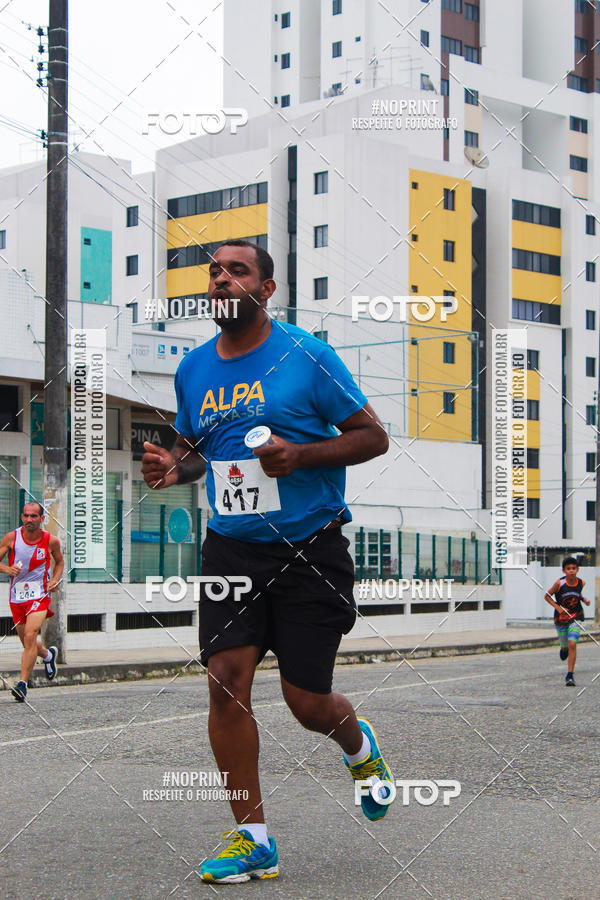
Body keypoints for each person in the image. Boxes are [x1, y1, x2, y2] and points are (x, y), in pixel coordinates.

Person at [142, 240, 393, 885]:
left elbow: (372, 437)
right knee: (225, 679)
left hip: (310, 544)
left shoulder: (307, 355)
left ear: (267, 288)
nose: (222, 281)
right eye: (215, 274)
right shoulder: (193, 369)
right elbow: (198, 450)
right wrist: (174, 467)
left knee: (305, 700)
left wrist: (299, 457)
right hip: (231, 546)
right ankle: (252, 837)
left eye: (237, 272)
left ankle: (359, 746)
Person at [0, 501, 63, 701]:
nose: (29, 519)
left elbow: (59, 561)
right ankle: (47, 655)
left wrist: (55, 579)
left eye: (33, 516)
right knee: (27, 641)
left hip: (40, 594)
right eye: (26, 516)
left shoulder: (50, 540)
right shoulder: (11, 538)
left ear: (41, 519)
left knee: (30, 634)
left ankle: (22, 684)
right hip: (17, 596)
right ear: (22, 517)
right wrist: (7, 569)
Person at [544, 556, 590, 686]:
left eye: (574, 568)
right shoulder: (559, 583)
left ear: (577, 569)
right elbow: (547, 596)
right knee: (565, 646)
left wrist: (584, 600)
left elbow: (577, 594)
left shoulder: (581, 583)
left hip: (576, 617)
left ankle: (570, 675)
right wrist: (557, 608)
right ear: (564, 571)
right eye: (568, 569)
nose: (571, 571)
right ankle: (563, 649)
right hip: (561, 620)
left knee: (573, 644)